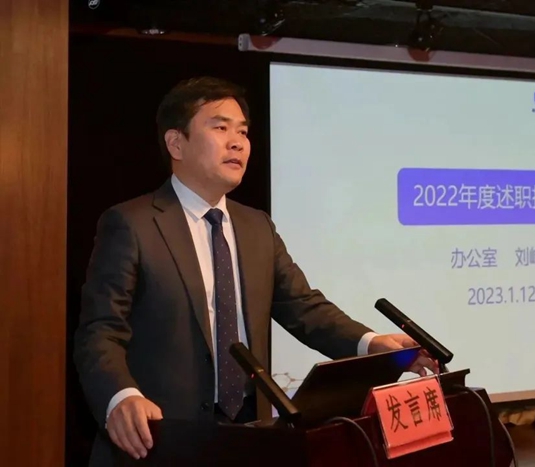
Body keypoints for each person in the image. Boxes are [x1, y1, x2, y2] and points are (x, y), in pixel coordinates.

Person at [73, 76, 437, 465]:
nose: (237, 143)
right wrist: (121, 396)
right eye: (220, 128)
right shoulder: (133, 224)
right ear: (176, 143)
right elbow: (100, 331)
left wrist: (370, 343)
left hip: (252, 438)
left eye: (243, 132)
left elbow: (304, 307)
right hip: (162, 441)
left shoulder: (256, 226)